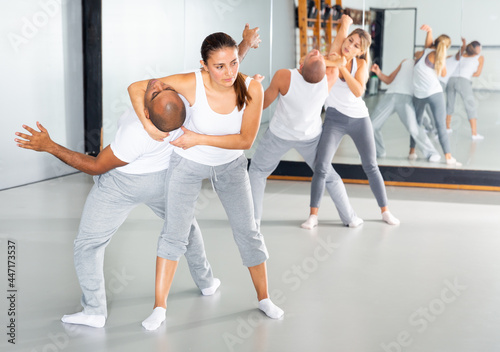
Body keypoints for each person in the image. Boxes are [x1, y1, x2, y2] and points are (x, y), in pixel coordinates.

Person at [13, 83, 219, 329]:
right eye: (163, 89)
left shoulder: (135, 132)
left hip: (122, 183)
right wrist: (244, 47)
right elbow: (220, 78)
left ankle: (94, 311)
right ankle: (207, 283)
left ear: (146, 115)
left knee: (88, 245)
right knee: (185, 228)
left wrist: (50, 146)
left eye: (154, 94)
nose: (155, 85)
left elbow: (97, 166)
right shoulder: (185, 105)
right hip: (164, 179)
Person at [128, 31, 284, 331]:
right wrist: (150, 127)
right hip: (187, 165)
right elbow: (137, 87)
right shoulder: (190, 82)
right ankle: (159, 307)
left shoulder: (252, 88)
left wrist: (197, 137)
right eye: (219, 66)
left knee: (248, 232)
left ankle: (264, 298)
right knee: (174, 234)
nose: (229, 73)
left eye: (234, 63)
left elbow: (245, 140)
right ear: (204, 66)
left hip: (230, 167)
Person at [249, 15, 363, 230]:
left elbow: (262, 104)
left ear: (300, 65)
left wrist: (253, 89)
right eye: (316, 55)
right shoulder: (328, 79)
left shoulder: (285, 76)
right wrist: (344, 27)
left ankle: (253, 222)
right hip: (309, 137)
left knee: (256, 172)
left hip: (279, 135)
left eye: (315, 55)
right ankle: (351, 218)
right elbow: (335, 53)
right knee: (330, 176)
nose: (318, 52)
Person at [306, 18, 400, 227]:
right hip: (334, 119)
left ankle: (385, 211)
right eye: (349, 40)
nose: (349, 46)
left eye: (356, 45)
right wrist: (333, 60)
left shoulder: (362, 64)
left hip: (359, 120)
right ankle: (313, 215)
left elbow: (358, 90)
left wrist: (343, 69)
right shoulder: (334, 54)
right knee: (321, 165)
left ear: (360, 52)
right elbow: (320, 63)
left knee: (371, 165)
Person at [370, 59, 441, 162]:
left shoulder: (426, 68)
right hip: (389, 96)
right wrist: (378, 73)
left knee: (413, 128)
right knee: (371, 125)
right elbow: (389, 80)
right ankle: (380, 151)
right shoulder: (405, 61)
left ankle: (432, 152)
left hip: (406, 98)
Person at [410, 25, 461, 165]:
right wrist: (443, 58)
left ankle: (412, 152)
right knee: (441, 126)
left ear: (435, 43)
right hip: (435, 93)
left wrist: (430, 31)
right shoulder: (439, 57)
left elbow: (427, 44)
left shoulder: (423, 52)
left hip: (419, 94)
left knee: (416, 123)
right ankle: (449, 157)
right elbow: (443, 74)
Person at [445, 38, 484, 139]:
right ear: (477, 48)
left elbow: (452, 60)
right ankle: (474, 134)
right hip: (463, 81)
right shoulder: (480, 57)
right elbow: (477, 73)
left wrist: (463, 45)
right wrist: (469, 74)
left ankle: (447, 128)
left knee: (450, 104)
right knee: (470, 106)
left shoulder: (461, 55)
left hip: (451, 80)